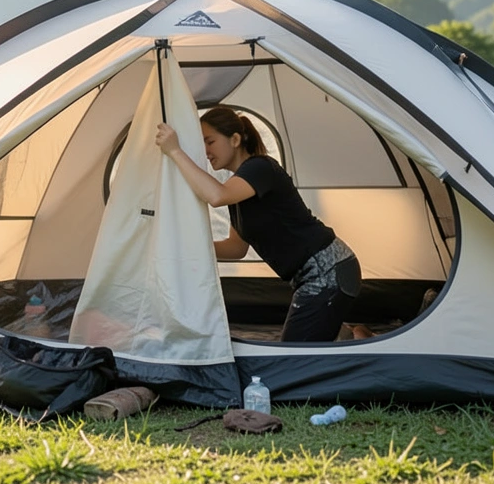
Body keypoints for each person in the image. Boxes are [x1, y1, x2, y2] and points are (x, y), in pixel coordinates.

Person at [154, 106, 362, 342]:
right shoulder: (238, 189)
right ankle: (350, 335)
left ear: (234, 139)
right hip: (312, 276)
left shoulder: (260, 168)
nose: (206, 151)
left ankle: (358, 340)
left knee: (292, 356)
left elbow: (215, 196)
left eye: (209, 142)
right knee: (302, 347)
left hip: (328, 271)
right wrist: (185, 247)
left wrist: (174, 151)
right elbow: (236, 248)